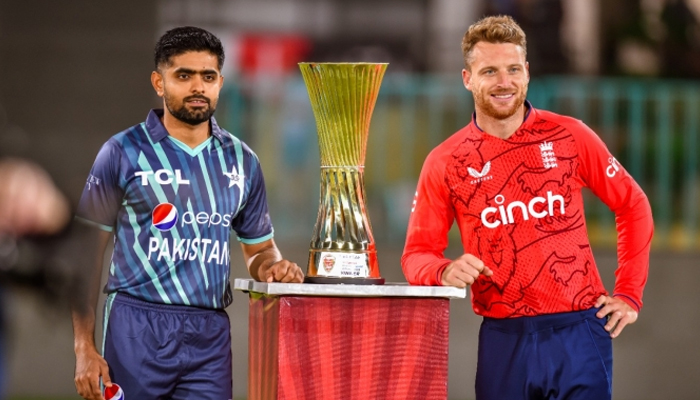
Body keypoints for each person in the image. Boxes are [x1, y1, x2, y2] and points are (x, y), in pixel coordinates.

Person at [401, 15, 653, 400]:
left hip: (580, 331)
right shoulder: (445, 162)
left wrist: (629, 293)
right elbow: (416, 255)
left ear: (528, 72)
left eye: (513, 69)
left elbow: (633, 204)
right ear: (467, 78)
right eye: (489, 71)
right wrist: (443, 269)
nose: (504, 82)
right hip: (504, 339)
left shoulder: (570, 135)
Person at [72, 26, 304, 400]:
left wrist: (274, 266)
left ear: (220, 83)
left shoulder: (243, 161)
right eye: (184, 75)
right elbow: (84, 256)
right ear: (159, 82)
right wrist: (84, 347)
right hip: (135, 327)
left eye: (207, 77)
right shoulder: (122, 153)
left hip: (209, 334)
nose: (198, 87)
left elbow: (259, 251)